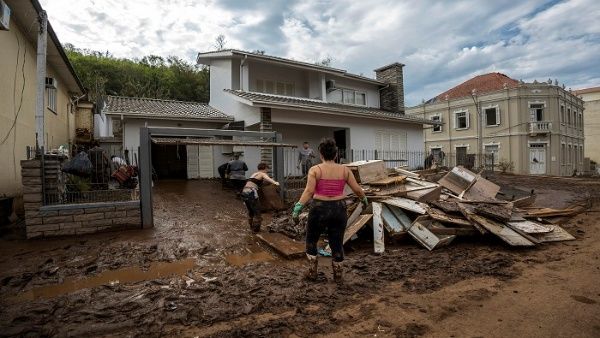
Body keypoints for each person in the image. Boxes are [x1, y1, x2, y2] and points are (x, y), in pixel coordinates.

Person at [292, 138, 368, 283]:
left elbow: (309, 191)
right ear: (335, 155)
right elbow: (357, 189)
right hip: (339, 208)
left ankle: (312, 273)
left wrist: (298, 207)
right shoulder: (345, 170)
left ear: (320, 154)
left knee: (312, 239)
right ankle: (338, 275)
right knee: (337, 242)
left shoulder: (315, 170)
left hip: (319, 208)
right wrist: (364, 200)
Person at [241, 163, 280, 232]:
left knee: (251, 211)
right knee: (257, 211)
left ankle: (251, 227)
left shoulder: (254, 174)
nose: (267, 171)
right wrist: (275, 182)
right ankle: (255, 230)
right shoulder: (262, 173)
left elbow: (256, 183)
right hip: (251, 192)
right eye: (267, 169)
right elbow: (268, 179)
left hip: (244, 192)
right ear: (265, 168)